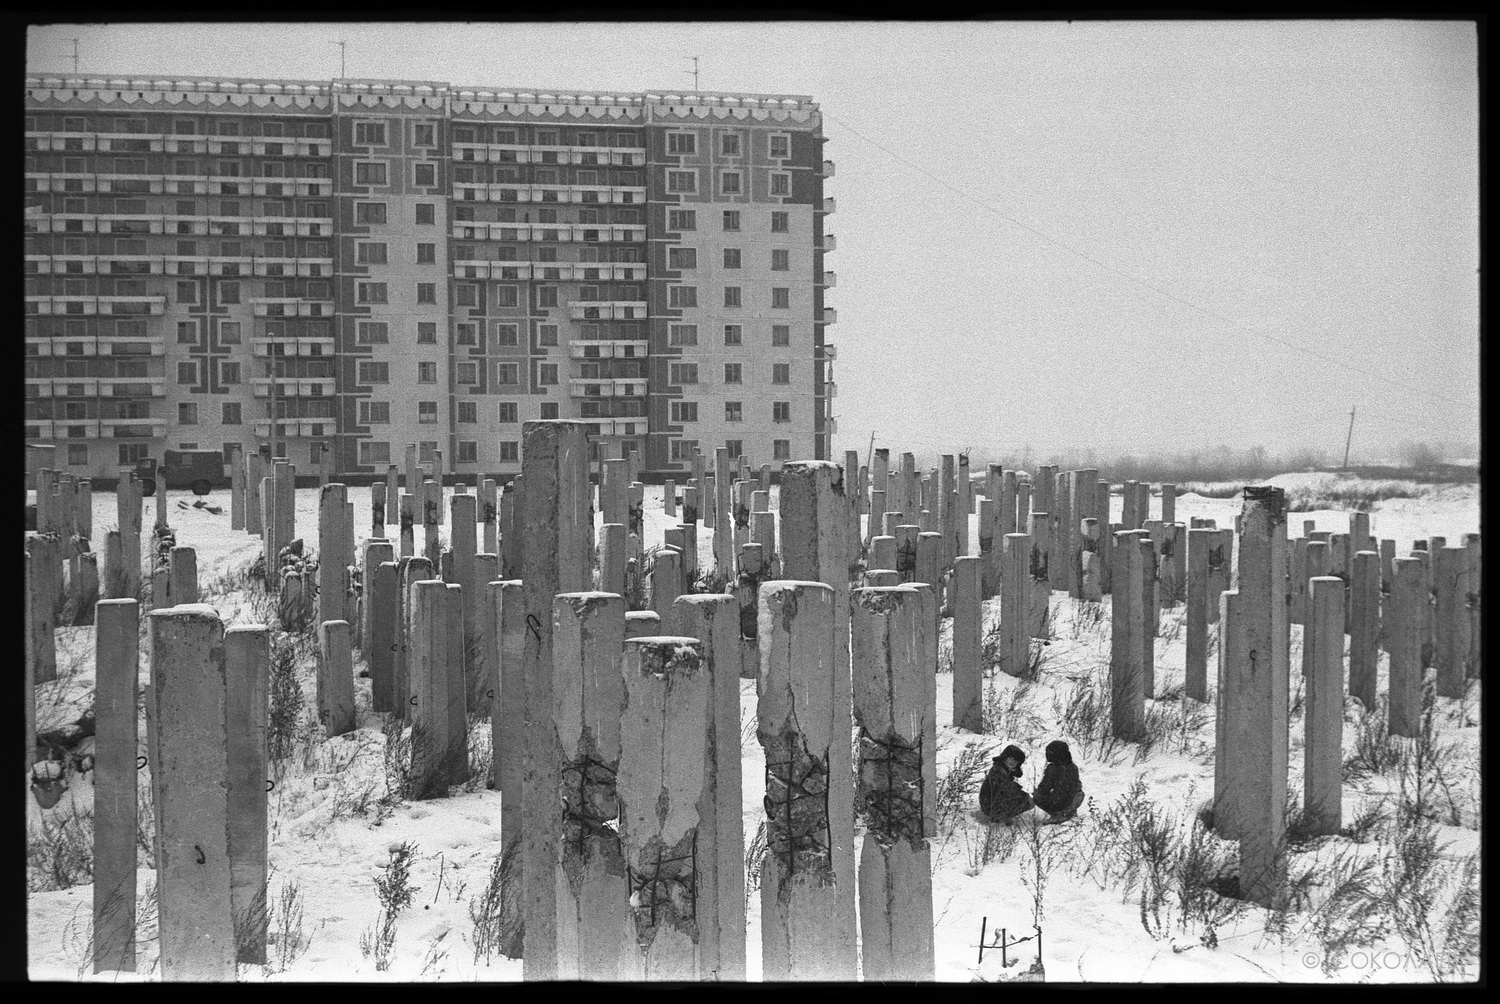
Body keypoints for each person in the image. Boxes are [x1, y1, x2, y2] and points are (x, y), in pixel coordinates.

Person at [1031, 740, 1084, 822]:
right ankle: (1068, 812)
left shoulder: (1053, 769)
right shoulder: (1073, 767)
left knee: (1038, 796)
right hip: (1071, 800)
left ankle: (1058, 814)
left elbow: (1045, 787)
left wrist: (1038, 794)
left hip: (1060, 800)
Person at [978, 744, 1032, 824]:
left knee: (1024, 799)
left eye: (1016, 761)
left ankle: (1001, 815)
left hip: (991, 802)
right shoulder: (998, 770)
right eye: (1011, 758)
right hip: (989, 804)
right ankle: (997, 816)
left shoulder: (1005, 770)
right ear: (1005, 757)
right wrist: (1024, 796)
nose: (1013, 762)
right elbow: (1006, 788)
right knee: (1027, 801)